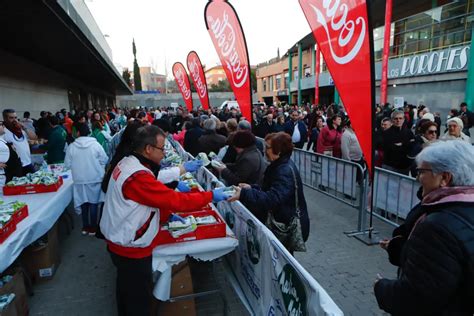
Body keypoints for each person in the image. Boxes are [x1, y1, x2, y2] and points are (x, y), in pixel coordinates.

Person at [100, 125, 231, 316]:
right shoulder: (137, 175)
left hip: (121, 239)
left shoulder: (130, 162)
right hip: (129, 245)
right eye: (162, 149)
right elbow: (174, 199)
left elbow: (147, 198)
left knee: (127, 292)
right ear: (148, 149)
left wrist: (165, 215)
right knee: (138, 300)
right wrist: (210, 196)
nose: (164, 153)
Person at [374, 140, 474, 315]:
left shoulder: (436, 227)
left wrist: (381, 288)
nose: (418, 178)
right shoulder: (455, 208)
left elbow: (417, 297)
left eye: (422, 172)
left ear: (444, 178)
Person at [229, 132, 310, 253]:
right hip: (281, 220)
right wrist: (251, 188)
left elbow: (272, 199)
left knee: (281, 257)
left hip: (284, 224)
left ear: (279, 151)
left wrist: (245, 194)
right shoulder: (278, 165)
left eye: (268, 147)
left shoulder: (284, 170)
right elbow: (270, 190)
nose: (265, 150)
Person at [65, 123, 108, 235]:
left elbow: (67, 165)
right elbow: (105, 159)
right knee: (94, 203)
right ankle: (93, 228)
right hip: (95, 178)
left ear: (78, 133)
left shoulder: (72, 147)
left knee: (83, 203)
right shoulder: (95, 145)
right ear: (88, 132)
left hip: (80, 180)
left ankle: (85, 227)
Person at [2, 109, 37, 174]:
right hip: (15, 166)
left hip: (28, 162)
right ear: (5, 118)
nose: (14, 120)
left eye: (15, 117)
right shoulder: (3, 131)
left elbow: (34, 138)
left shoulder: (20, 128)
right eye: (11, 118)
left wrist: (24, 127)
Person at [381, 110, 415, 175]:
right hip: (390, 166)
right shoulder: (387, 133)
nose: (398, 120)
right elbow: (390, 148)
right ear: (392, 120)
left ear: (404, 119)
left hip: (404, 167)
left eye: (400, 118)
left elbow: (412, 146)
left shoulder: (409, 132)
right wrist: (405, 144)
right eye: (396, 118)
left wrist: (402, 144)